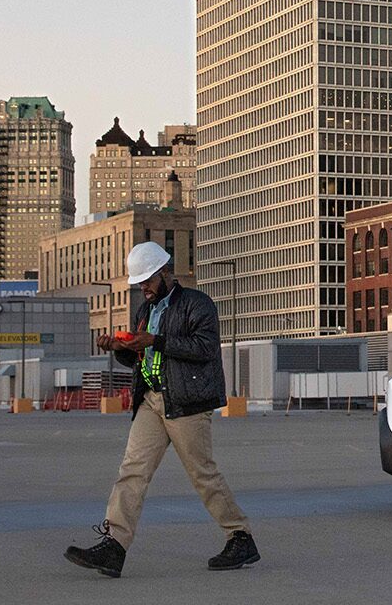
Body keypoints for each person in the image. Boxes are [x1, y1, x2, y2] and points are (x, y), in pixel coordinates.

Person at [65, 241, 259, 578]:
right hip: (151, 400)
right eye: (139, 283)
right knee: (132, 471)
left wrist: (156, 340)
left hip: (187, 403)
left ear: (165, 272)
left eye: (148, 281)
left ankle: (240, 537)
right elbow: (140, 359)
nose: (144, 288)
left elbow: (205, 348)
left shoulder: (197, 304)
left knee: (202, 474)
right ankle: (114, 545)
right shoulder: (145, 310)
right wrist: (120, 348)